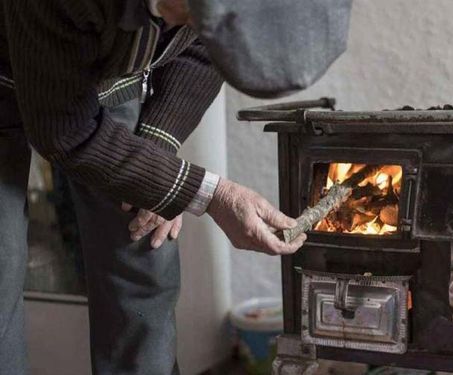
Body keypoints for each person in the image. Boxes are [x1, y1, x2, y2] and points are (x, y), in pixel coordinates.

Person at [0, 0, 310, 374]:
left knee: (141, 248)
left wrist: (155, 167)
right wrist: (208, 193)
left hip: (105, 74)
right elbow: (65, 132)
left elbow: (206, 50)